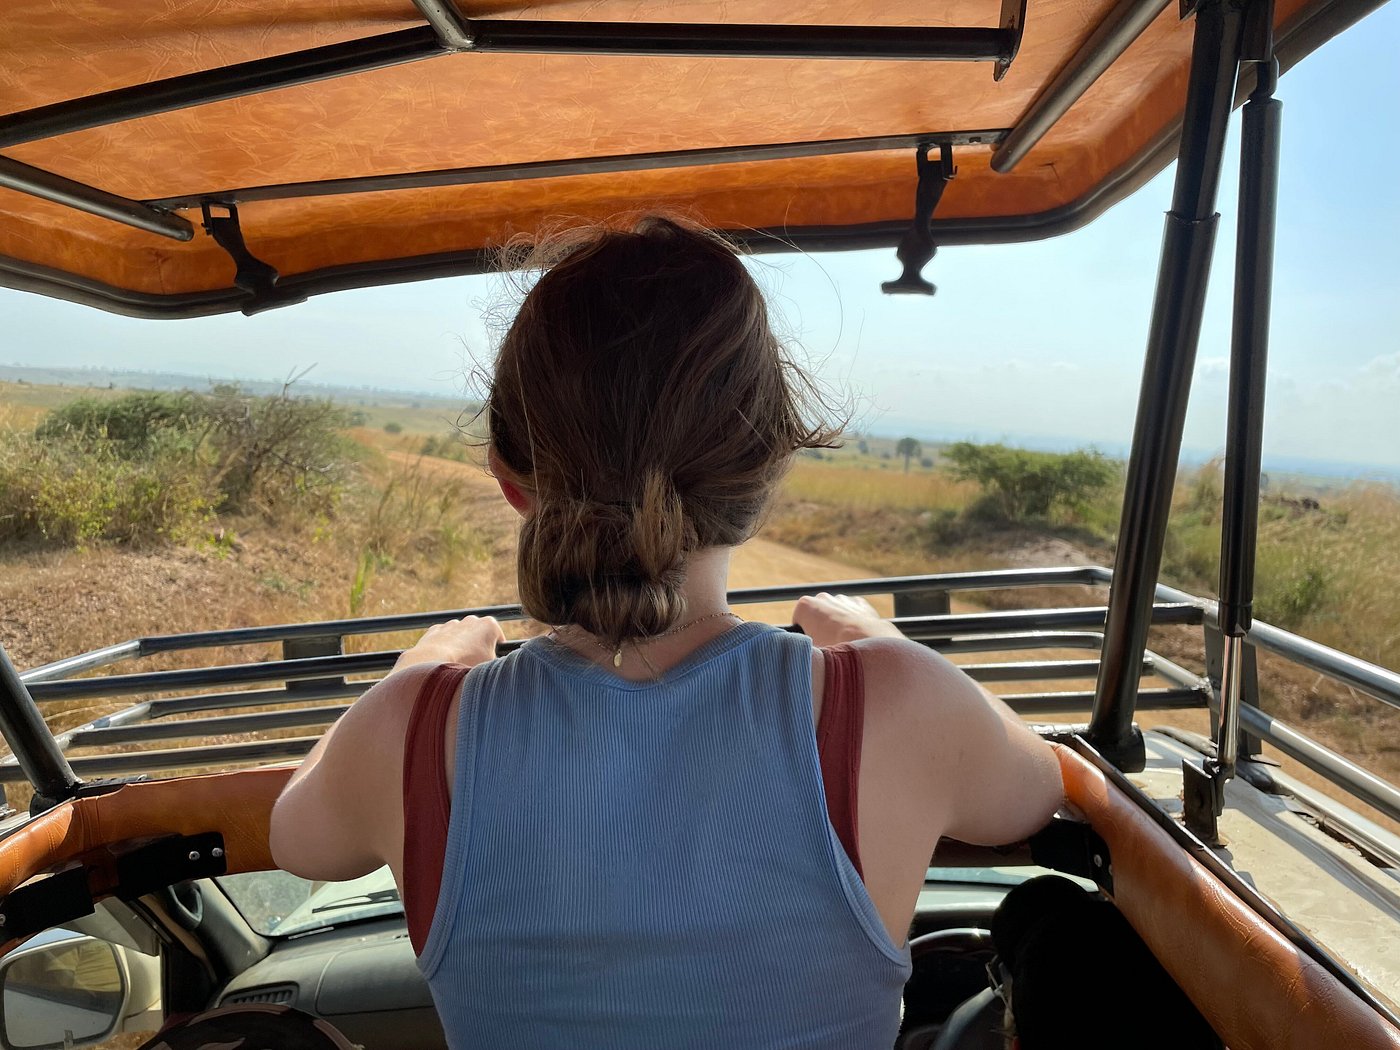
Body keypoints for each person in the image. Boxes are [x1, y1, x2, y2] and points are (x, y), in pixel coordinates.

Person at [270, 217, 1064, 1049]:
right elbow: (1035, 789)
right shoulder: (900, 702)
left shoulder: (413, 726)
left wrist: (422, 669)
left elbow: (298, 836)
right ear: (765, 470)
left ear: (510, 480)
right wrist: (878, 643)